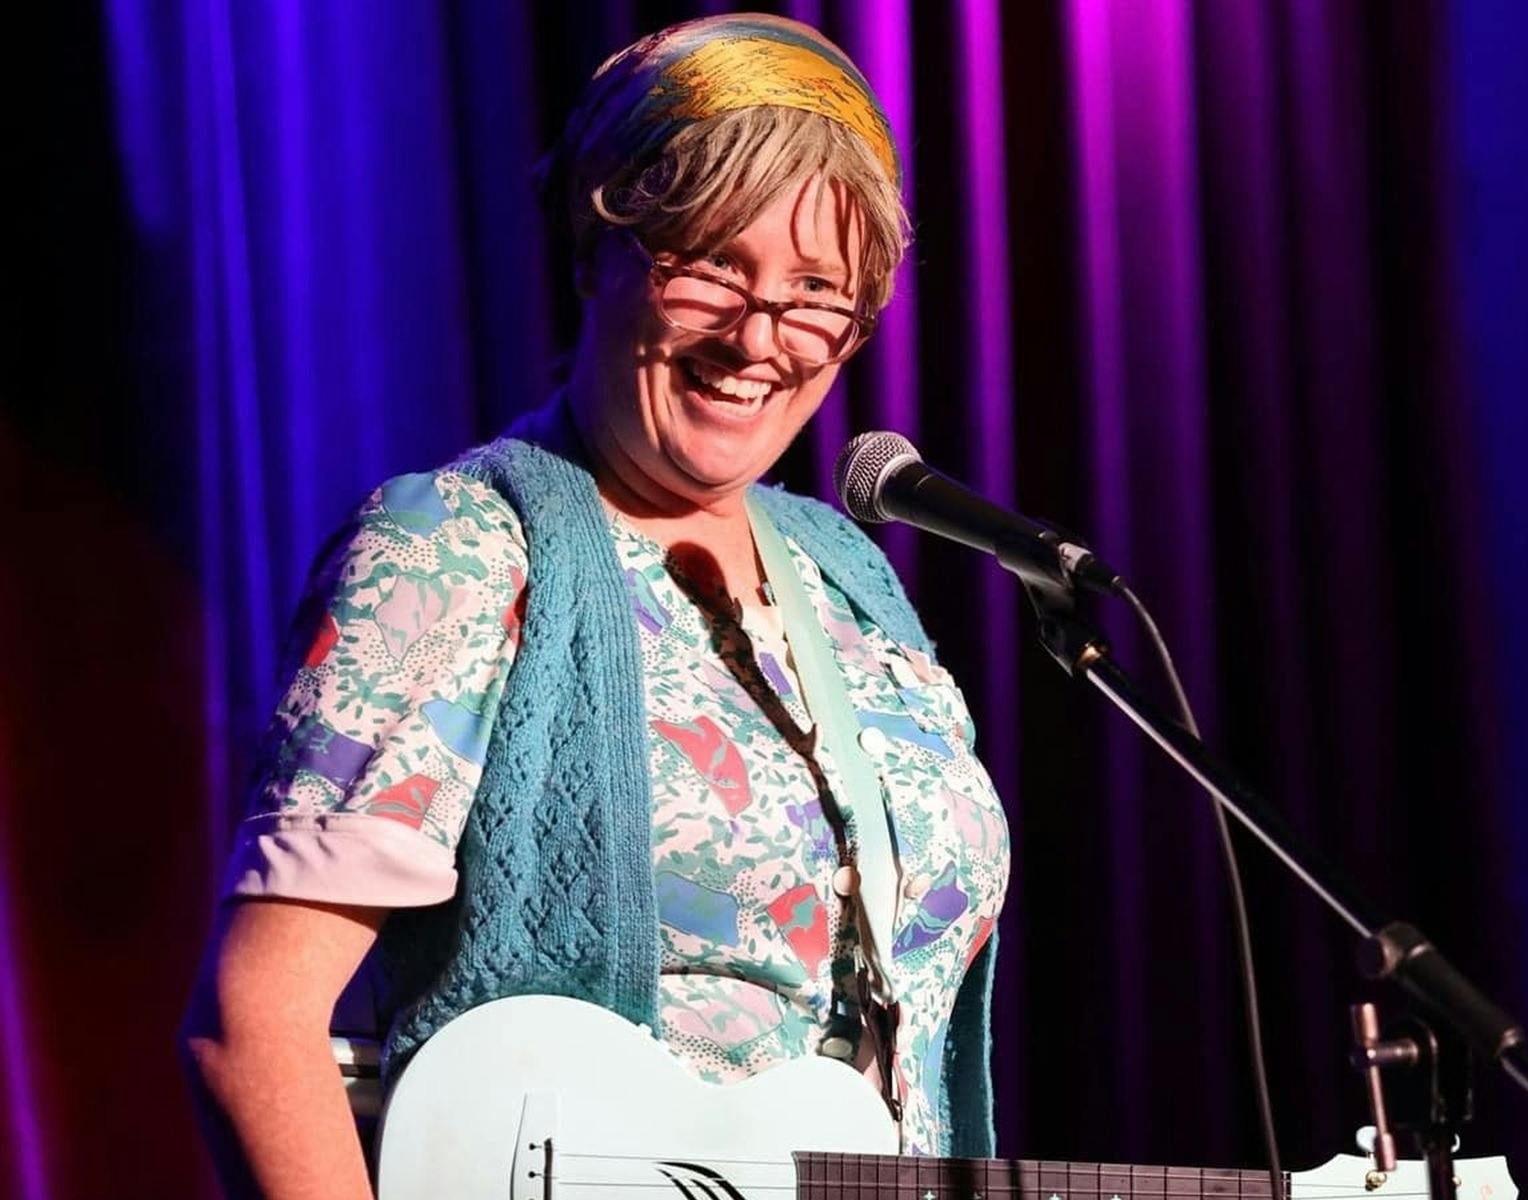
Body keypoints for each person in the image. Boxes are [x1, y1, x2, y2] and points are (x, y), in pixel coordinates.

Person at [182, 14, 1009, 1197]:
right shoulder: (461, 548)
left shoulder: (849, 582)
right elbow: (250, 1022)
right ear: (594, 250)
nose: (759, 332)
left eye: (815, 289)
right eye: (712, 261)